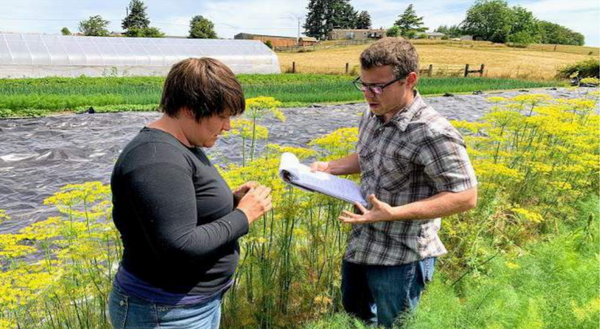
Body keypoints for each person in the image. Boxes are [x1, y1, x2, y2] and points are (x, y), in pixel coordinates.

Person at [311, 37, 478, 327]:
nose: (368, 94)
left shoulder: (432, 132)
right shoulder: (372, 113)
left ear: (409, 80)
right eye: (363, 84)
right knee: (355, 316)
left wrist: (394, 213)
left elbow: (465, 196)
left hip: (402, 256)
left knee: (395, 323)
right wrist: (329, 167)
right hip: (362, 244)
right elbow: (368, 157)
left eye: (377, 86)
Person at [108, 57, 272, 329]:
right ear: (188, 109)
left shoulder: (183, 145)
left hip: (189, 306)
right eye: (221, 116)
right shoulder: (156, 159)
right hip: (164, 312)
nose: (228, 126)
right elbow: (179, 245)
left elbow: (178, 212)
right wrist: (244, 215)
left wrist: (231, 202)